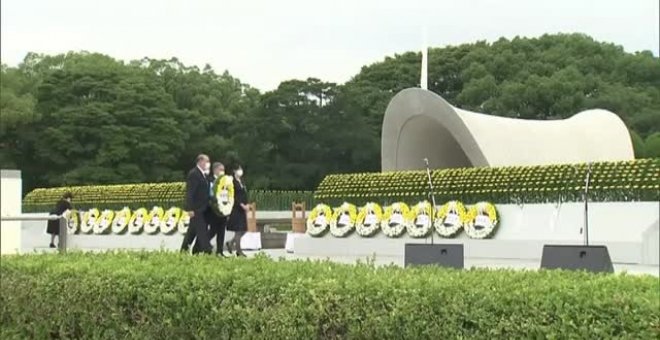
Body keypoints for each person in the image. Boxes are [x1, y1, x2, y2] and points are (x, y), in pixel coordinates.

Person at [180, 154, 212, 254]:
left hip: (203, 209)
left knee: (192, 232)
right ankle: (208, 252)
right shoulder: (194, 174)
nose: (208, 164)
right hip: (196, 209)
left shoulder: (204, 175)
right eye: (206, 161)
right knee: (202, 232)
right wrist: (189, 208)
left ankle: (185, 251)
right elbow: (190, 192)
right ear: (200, 161)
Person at [204, 162, 228, 256]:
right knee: (213, 230)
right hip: (213, 210)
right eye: (220, 169)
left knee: (221, 231)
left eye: (223, 170)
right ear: (215, 170)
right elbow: (210, 194)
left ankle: (220, 251)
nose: (222, 171)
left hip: (223, 209)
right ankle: (203, 245)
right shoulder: (210, 180)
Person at [225, 165, 248, 257]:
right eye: (238, 169)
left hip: (243, 209)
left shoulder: (241, 181)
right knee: (238, 230)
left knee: (244, 229)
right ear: (234, 171)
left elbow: (243, 194)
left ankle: (230, 243)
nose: (240, 171)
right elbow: (233, 196)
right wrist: (241, 205)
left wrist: (247, 204)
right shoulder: (232, 182)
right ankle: (239, 251)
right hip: (236, 208)